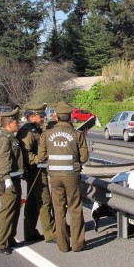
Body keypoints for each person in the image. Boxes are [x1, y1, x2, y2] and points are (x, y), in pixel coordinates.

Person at [38, 102, 89, 252]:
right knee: (75, 208)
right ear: (70, 117)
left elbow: (41, 156)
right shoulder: (77, 134)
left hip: (54, 176)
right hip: (71, 175)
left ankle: (63, 245)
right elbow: (84, 157)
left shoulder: (46, 134)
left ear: (56, 116)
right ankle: (78, 244)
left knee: (58, 209)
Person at [17, 104, 56, 243]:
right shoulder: (27, 131)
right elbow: (25, 152)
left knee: (33, 202)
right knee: (44, 201)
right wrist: (37, 159)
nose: (43, 118)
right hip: (35, 170)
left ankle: (30, 233)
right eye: (40, 116)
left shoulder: (36, 129)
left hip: (38, 169)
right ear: (32, 116)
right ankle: (50, 234)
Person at [0, 108, 24, 255]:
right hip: (7, 180)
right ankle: (0, 243)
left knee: (14, 211)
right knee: (7, 211)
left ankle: (10, 238)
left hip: (15, 178)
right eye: (16, 121)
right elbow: (1, 161)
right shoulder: (4, 139)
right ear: (9, 124)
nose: (18, 123)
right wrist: (6, 178)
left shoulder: (11, 137)